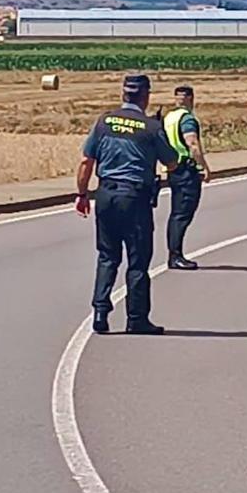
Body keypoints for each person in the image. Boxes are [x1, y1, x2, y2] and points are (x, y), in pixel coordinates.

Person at [76, 74, 179, 335]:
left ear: (124, 94)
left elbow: (86, 161)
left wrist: (81, 194)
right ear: (146, 96)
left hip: (105, 194)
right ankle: (136, 319)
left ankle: (100, 311)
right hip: (135, 198)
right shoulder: (151, 127)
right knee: (137, 260)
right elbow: (172, 162)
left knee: (108, 256)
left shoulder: (104, 121)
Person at [163, 85, 211, 270]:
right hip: (187, 170)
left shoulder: (169, 117)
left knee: (176, 214)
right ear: (191, 98)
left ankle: (174, 254)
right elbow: (192, 143)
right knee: (182, 215)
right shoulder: (187, 119)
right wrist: (204, 166)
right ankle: (175, 256)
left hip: (173, 168)